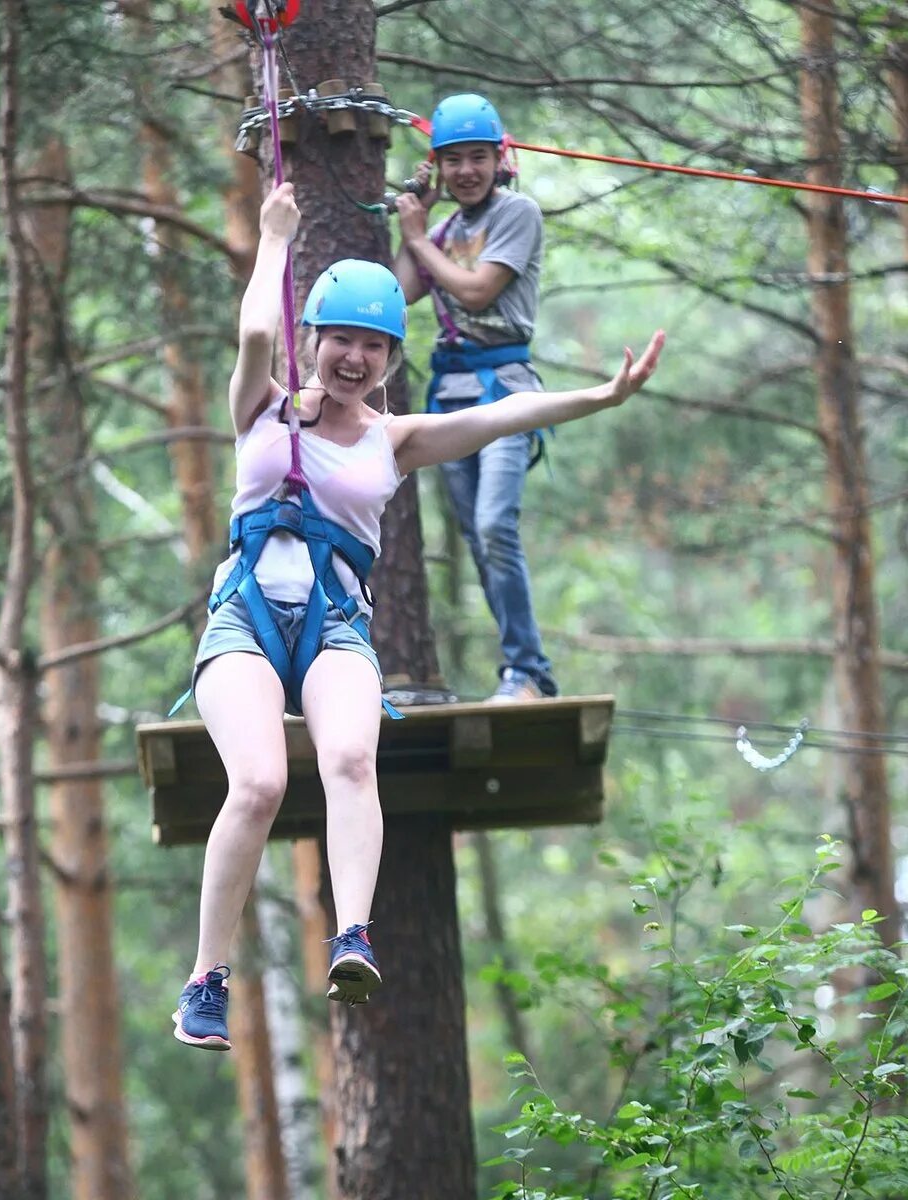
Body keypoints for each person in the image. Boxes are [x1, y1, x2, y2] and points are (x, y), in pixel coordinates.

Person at [172, 179, 663, 1050]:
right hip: (244, 621)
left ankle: (353, 936)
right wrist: (275, 236)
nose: (354, 359)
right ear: (314, 343)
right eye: (340, 342)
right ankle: (206, 982)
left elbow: (502, 412)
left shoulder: (394, 440)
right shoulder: (262, 409)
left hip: (332, 626)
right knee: (258, 783)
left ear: (393, 360)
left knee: (353, 759)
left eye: (374, 346)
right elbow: (254, 331)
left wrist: (598, 397)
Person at [393, 92, 557, 703]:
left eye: (477, 158)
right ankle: (522, 668)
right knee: (476, 536)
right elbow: (400, 292)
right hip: (452, 392)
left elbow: (479, 290)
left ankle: (527, 671)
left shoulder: (518, 213)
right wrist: (415, 226)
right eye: (453, 159)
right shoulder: (441, 229)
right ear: (439, 165)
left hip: (504, 389)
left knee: (494, 526)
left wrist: (419, 237)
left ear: (499, 158)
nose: (466, 170)